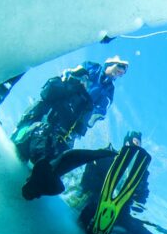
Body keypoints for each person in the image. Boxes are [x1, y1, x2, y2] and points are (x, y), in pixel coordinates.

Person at [11, 57, 129, 199]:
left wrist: (87, 117)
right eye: (118, 68)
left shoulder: (110, 90)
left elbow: (100, 111)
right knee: (42, 133)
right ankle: (34, 155)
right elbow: (71, 74)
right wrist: (78, 82)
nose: (119, 73)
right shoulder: (92, 67)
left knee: (61, 147)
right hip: (58, 108)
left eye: (122, 73)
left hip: (74, 121)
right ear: (110, 63)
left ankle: (45, 172)